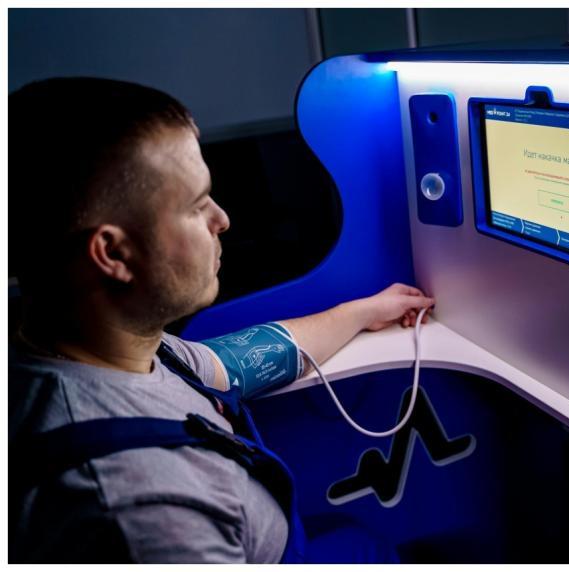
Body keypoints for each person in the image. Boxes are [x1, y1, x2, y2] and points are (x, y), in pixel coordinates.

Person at [8, 77, 435, 563]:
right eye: (196, 205)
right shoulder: (144, 511)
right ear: (112, 253)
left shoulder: (99, 346)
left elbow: (227, 363)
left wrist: (360, 313)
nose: (222, 219)